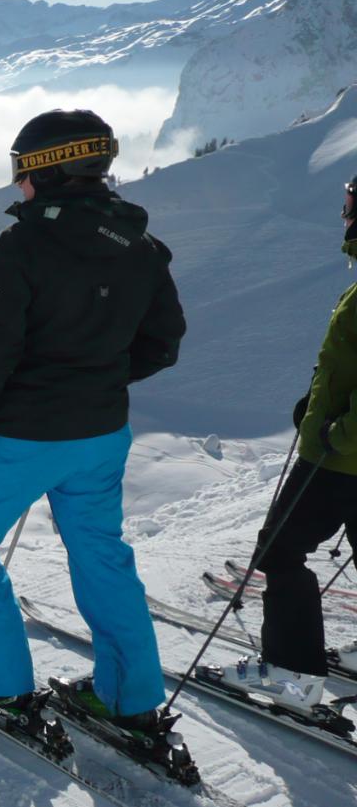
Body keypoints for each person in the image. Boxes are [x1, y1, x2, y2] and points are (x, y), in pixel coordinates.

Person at [0, 109, 186, 733]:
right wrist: (94, 381)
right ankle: (130, 697)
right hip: (101, 433)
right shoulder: (141, 247)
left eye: (21, 170)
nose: (18, 184)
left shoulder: (23, 244)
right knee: (100, 550)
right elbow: (163, 343)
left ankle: (1, 686)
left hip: (25, 433)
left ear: (49, 169)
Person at [221, 175, 357, 708]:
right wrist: (317, 405)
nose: (345, 215)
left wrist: (333, 433)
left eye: (351, 204)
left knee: (279, 551)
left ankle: (291, 680)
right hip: (342, 449)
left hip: (339, 459)